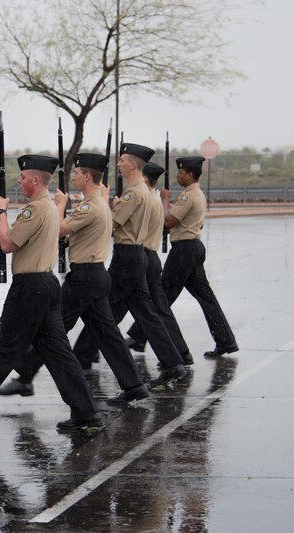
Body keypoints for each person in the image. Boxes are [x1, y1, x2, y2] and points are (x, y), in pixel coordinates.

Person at [0, 155, 102, 431]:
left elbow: (8, 243)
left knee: (5, 349)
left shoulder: (35, 209)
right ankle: (86, 412)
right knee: (59, 353)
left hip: (30, 287)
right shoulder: (47, 206)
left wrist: (1, 213)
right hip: (45, 285)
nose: (18, 180)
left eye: (23, 177)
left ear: (36, 180)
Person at [0, 153, 150, 405]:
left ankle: (25, 377)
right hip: (95, 274)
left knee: (51, 334)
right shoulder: (98, 204)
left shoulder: (90, 206)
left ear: (87, 176)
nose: (74, 177)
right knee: (107, 335)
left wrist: (58, 205)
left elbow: (57, 228)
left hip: (85, 278)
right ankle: (134, 385)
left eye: (77, 173)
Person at [72, 143, 187, 391]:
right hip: (136, 255)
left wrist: (103, 200)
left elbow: (111, 224)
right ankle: (172, 362)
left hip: (127, 257)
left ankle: (83, 355)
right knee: (144, 313)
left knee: (103, 310)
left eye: (122, 160)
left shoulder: (133, 193)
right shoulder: (143, 191)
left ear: (133, 164)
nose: (118, 164)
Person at [160, 156, 238, 358]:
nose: (178, 175)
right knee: (206, 298)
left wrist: (165, 199)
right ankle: (226, 341)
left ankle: (143, 337)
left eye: (180, 172)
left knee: (162, 296)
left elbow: (169, 221)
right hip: (193, 247)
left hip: (184, 249)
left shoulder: (188, 196)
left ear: (190, 174)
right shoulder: (198, 194)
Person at [123, 162, 193, 365]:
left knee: (111, 309)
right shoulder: (152, 199)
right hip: (149, 257)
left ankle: (88, 351)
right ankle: (180, 353)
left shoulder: (144, 200)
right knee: (158, 309)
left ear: (144, 179)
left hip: (140, 256)